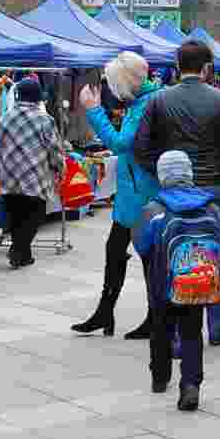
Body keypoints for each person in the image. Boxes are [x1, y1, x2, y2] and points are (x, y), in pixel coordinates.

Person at [135, 41, 220, 346]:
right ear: (207, 68)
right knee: (219, 255)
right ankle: (218, 326)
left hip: (173, 190)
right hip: (215, 188)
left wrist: (164, 173)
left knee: (173, 253)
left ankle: (176, 332)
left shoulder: (158, 101)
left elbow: (142, 148)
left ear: (177, 66)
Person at [72, 52, 162, 339]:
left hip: (140, 194)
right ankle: (106, 312)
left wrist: (94, 110)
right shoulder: (142, 102)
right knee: (116, 252)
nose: (111, 88)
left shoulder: (147, 104)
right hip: (132, 192)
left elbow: (121, 143)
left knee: (147, 256)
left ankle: (151, 317)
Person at [133, 151, 220, 411]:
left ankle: (160, 376)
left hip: (162, 284)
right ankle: (190, 385)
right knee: (191, 332)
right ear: (189, 174)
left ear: (162, 176)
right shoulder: (210, 207)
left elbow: (141, 245)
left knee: (161, 329)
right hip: (199, 285)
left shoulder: (154, 209)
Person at [0, 78, 65, 269]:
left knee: (16, 215)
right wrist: (59, 168)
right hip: (34, 176)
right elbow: (54, 149)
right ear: (37, 97)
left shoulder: (6, 117)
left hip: (9, 175)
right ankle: (18, 249)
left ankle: (23, 254)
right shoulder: (44, 119)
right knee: (35, 215)